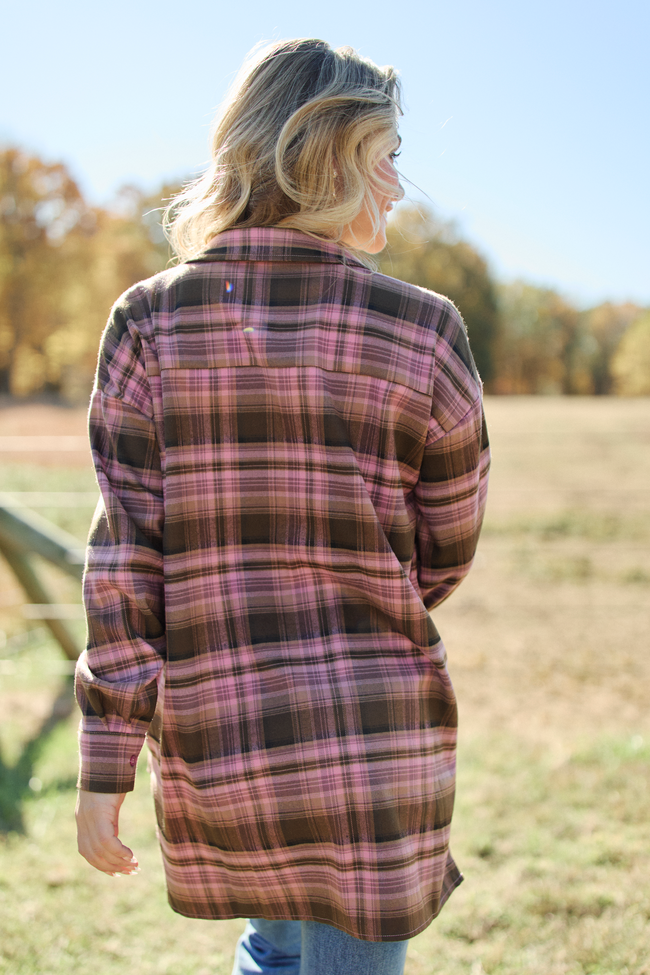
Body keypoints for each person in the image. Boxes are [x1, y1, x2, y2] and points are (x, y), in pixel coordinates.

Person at [75, 38, 490, 975]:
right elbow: (448, 545)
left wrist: (106, 756)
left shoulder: (146, 320)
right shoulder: (425, 328)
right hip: (372, 744)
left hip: (229, 742)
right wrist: (357, 598)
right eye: (386, 154)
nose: (398, 183)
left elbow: (123, 568)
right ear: (330, 156)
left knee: (273, 945)